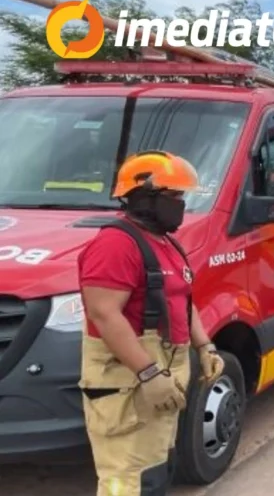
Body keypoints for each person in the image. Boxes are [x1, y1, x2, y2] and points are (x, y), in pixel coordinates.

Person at [78, 150, 225, 495]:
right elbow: (104, 313)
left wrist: (205, 345)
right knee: (127, 478)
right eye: (173, 196)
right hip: (129, 382)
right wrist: (148, 373)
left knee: (155, 471)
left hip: (161, 373)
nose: (181, 204)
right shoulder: (115, 244)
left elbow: (183, 299)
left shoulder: (166, 243)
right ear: (143, 197)